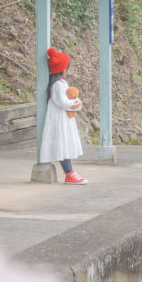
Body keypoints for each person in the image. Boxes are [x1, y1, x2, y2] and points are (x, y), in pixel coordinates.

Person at [38, 47, 88, 184]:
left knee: (63, 146)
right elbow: (63, 102)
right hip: (60, 121)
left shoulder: (59, 84)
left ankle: (70, 173)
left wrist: (75, 103)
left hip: (62, 119)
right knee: (63, 146)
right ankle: (69, 174)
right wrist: (76, 103)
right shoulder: (58, 86)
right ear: (63, 70)